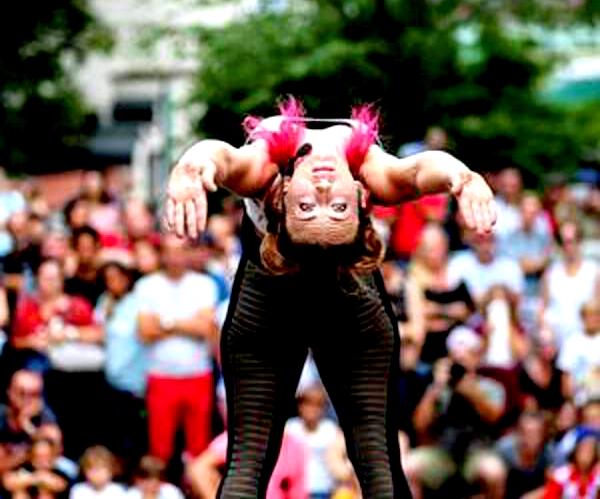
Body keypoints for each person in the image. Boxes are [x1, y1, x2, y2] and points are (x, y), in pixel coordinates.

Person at [164, 99, 496, 499]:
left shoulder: (264, 171)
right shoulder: (372, 176)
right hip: (309, 289)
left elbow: (221, 157)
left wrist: (191, 166)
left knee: (370, 455)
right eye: (337, 207)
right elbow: (418, 171)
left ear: (283, 194)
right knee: (259, 456)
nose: (323, 187)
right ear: (360, 198)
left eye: (307, 207)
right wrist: (461, 177)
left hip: (313, 290)